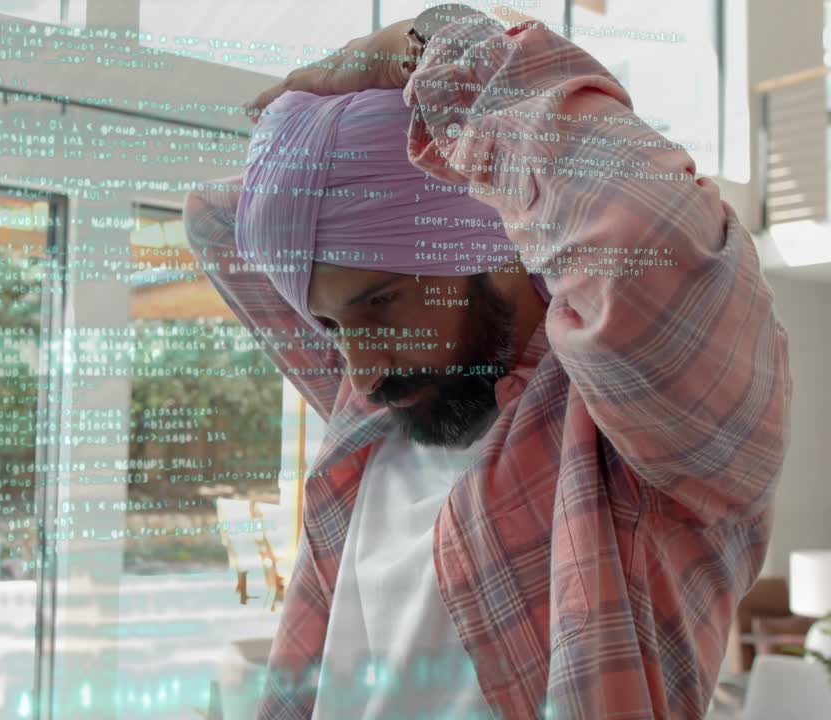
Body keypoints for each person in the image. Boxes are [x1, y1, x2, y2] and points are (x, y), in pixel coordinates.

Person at [182, 5, 793, 719]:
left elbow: (646, 229)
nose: (361, 371)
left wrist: (435, 47)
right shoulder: (382, 414)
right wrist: (304, 118)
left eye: (380, 304)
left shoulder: (631, 441)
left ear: (490, 245)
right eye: (328, 322)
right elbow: (219, 226)